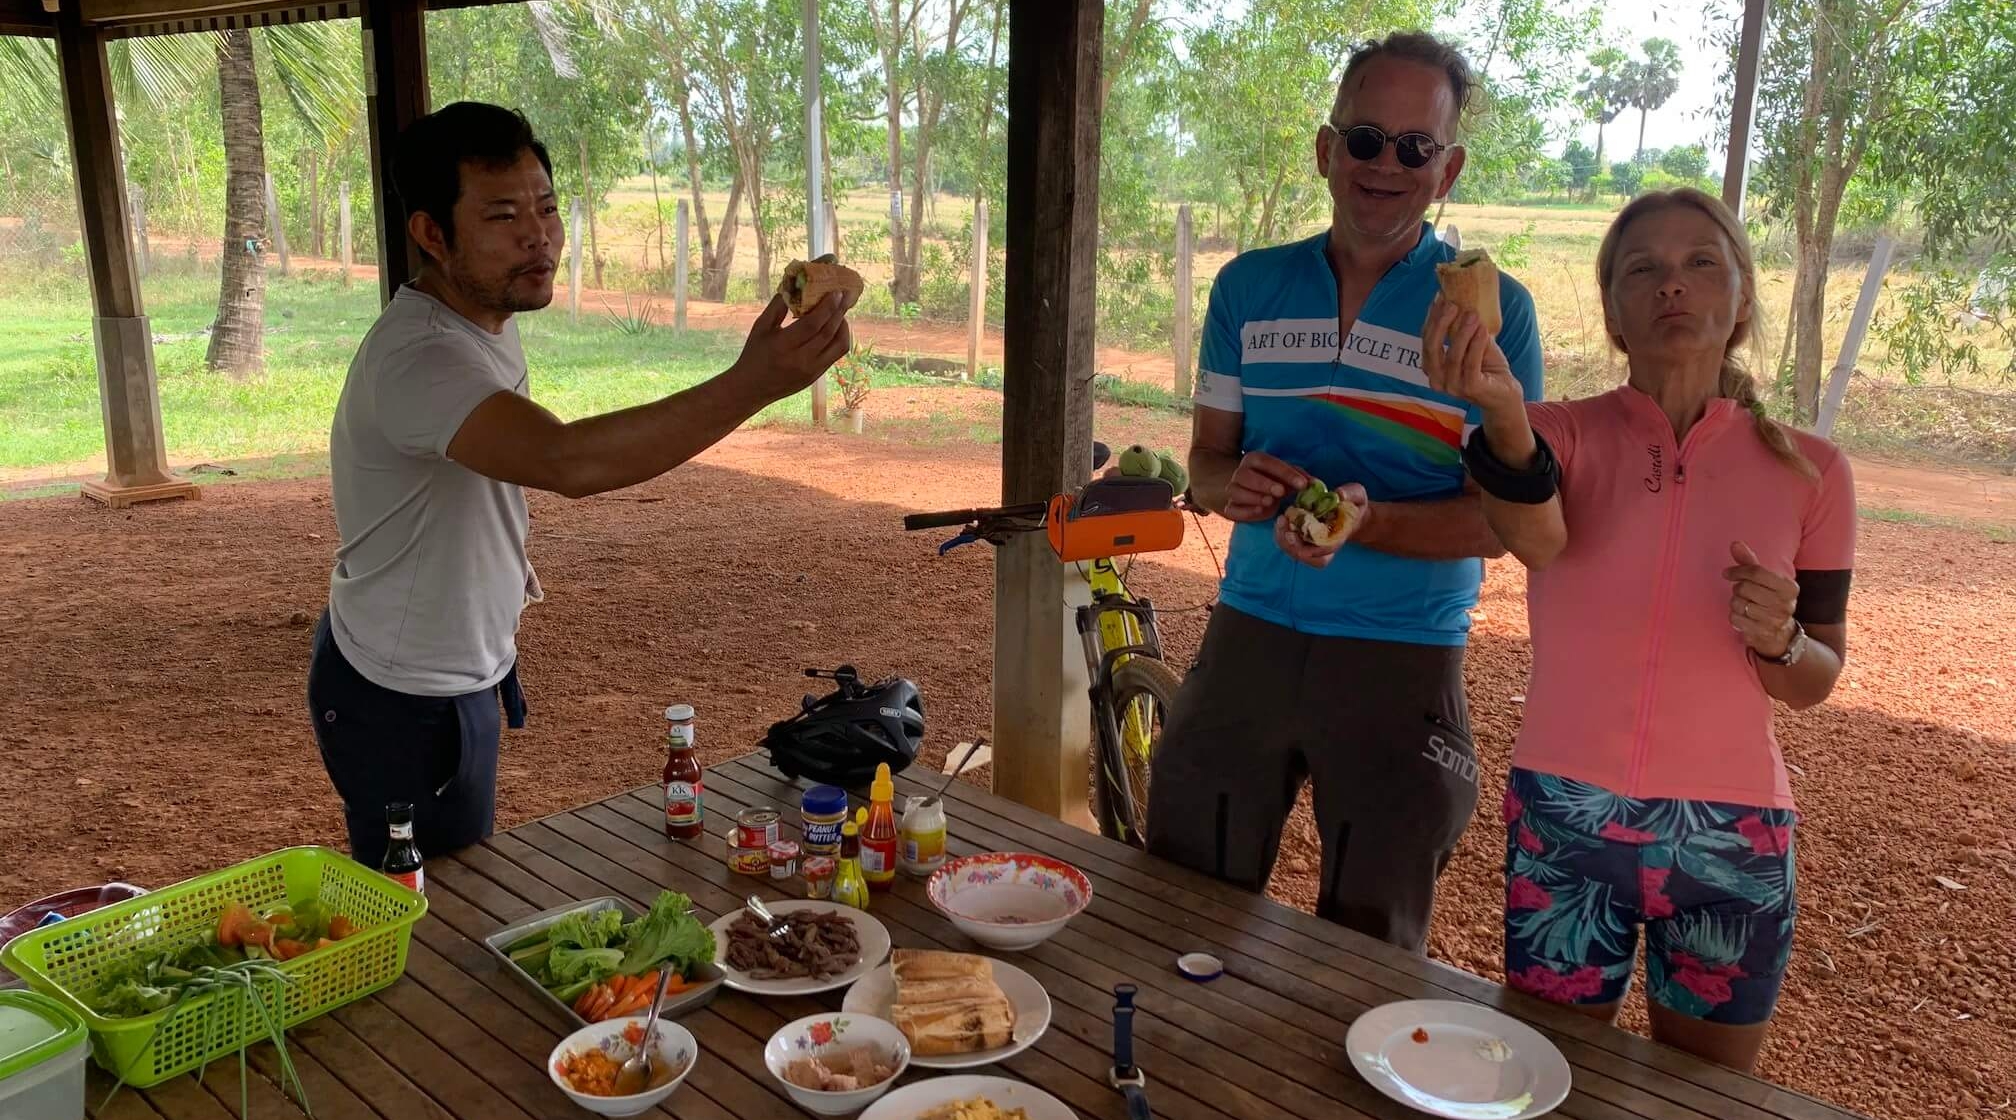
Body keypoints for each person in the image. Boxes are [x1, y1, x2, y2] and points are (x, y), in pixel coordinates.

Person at [308, 102, 855, 868]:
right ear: (432, 234)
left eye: (547, 207)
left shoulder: (481, 319)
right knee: (425, 915)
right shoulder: (420, 360)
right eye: (502, 215)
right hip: (399, 694)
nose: (539, 235)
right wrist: (751, 385)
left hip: (453, 671)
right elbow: (568, 461)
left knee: (459, 879)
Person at [1423, 187, 1854, 1071]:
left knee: (1706, 1095)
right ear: (1614, 310)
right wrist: (1502, 415)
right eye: (1642, 270)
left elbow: (1814, 679)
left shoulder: (1813, 471)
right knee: (1548, 1080)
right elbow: (1537, 539)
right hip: (1566, 820)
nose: (1672, 287)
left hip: (1732, 837)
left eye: (1701, 263)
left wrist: (1782, 639)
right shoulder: (1552, 434)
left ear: (1741, 297)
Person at [1144, 32, 1545, 951]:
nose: (1386, 166)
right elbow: (1207, 458)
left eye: (1415, 148)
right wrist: (1225, 483)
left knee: (1368, 948)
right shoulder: (1248, 288)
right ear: (1328, 151)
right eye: (1366, 139)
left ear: (1447, 171)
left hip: (1399, 655)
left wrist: (1365, 525)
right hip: (1248, 631)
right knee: (1181, 902)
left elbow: (1500, 523)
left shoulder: (1492, 315)